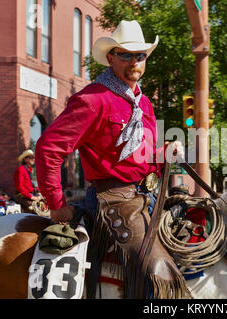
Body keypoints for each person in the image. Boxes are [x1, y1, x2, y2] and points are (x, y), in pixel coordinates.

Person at [35, 19, 184, 298]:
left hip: (147, 195)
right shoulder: (93, 100)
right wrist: (56, 204)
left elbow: (142, 152)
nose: (134, 62)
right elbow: (48, 149)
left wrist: (166, 152)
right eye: (125, 55)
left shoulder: (143, 102)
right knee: (158, 275)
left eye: (140, 55)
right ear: (111, 57)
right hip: (113, 200)